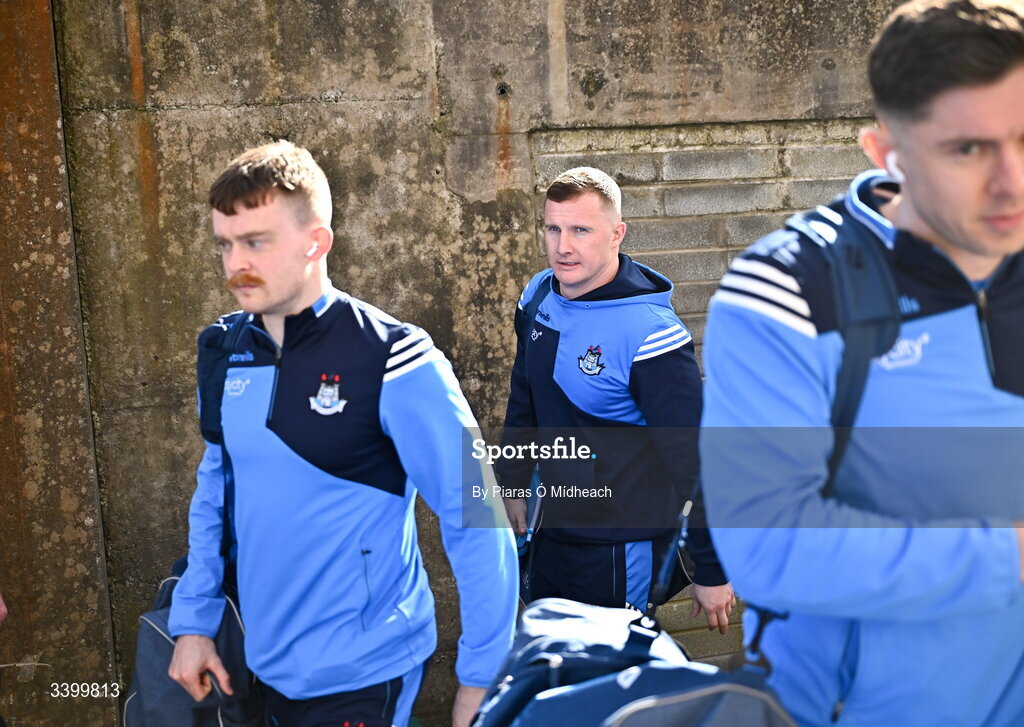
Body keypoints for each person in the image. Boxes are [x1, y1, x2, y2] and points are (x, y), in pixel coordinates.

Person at [700, 1, 1024, 724]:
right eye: (968, 149)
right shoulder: (788, 291)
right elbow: (766, 544)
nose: (1012, 180)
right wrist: (1009, 557)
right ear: (886, 154)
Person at [167, 140, 518, 727]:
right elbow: (215, 492)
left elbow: (477, 516)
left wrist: (483, 677)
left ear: (317, 242)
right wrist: (195, 620)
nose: (234, 265)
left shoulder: (397, 360)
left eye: (256, 242)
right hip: (257, 665)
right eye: (225, 245)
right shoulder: (226, 351)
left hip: (365, 672)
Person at [497, 167, 735, 632]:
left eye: (581, 230)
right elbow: (523, 394)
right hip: (548, 532)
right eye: (553, 228)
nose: (563, 246)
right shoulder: (539, 294)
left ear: (616, 234)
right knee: (551, 667)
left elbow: (697, 461)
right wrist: (511, 480)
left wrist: (712, 569)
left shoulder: (652, 335)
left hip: (617, 549)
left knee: (616, 682)